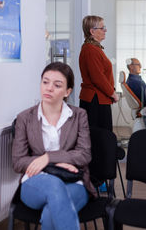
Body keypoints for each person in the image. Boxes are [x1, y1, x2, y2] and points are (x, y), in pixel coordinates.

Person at [12, 62, 95, 230]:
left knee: (52, 212)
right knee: (54, 186)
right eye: (45, 82)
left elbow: (84, 155)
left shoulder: (79, 116)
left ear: (67, 92)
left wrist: (48, 158)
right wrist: (56, 163)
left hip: (74, 183)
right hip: (35, 183)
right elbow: (18, 162)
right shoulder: (24, 118)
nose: (49, 88)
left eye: (57, 85)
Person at [79, 15, 119, 132]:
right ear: (92, 31)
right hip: (95, 100)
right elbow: (98, 78)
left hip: (99, 99)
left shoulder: (94, 49)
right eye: (102, 28)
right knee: (100, 139)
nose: (105, 30)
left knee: (101, 139)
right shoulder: (90, 49)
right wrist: (113, 93)